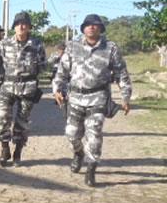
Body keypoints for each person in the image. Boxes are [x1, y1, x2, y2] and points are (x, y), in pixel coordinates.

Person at [53, 14, 132, 187]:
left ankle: (90, 169)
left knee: (94, 135)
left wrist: (125, 97)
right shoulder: (72, 47)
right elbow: (62, 71)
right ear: (83, 28)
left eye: (95, 25)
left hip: (98, 98)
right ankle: (78, 153)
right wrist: (57, 89)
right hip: (75, 98)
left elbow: (121, 74)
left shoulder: (110, 48)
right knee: (71, 133)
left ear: (101, 29)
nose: (91, 27)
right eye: (88, 25)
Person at [0, 11, 47, 167]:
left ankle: (18, 151)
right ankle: (5, 150)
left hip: (28, 87)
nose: (21, 26)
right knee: (2, 118)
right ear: (14, 26)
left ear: (29, 27)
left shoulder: (37, 44)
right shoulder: (4, 44)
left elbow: (43, 65)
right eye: (18, 24)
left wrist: (32, 77)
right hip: (8, 85)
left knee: (22, 121)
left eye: (24, 24)